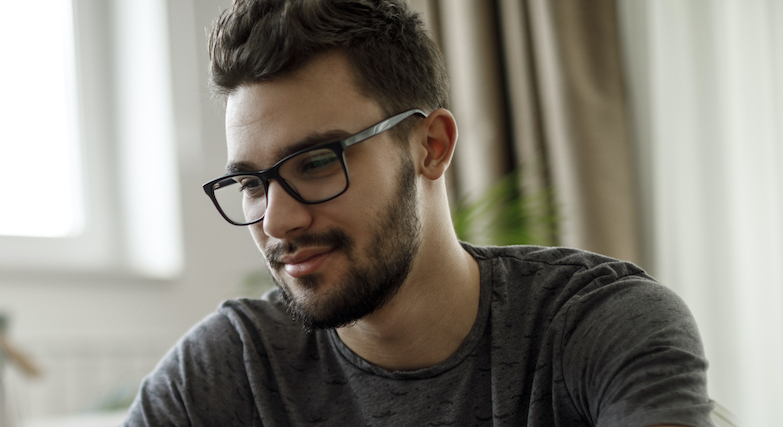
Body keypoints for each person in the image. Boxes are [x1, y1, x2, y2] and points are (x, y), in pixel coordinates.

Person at [123, 0, 713, 426]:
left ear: (431, 146)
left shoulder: (596, 326)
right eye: (253, 184)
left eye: (317, 163)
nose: (277, 222)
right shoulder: (230, 368)